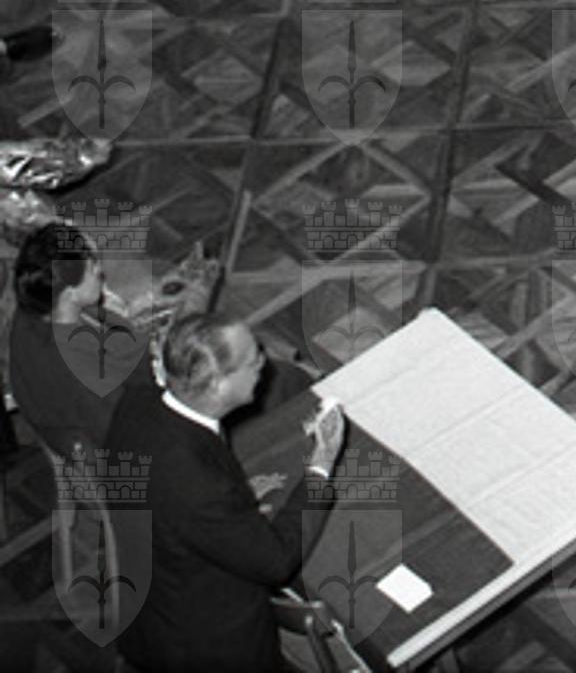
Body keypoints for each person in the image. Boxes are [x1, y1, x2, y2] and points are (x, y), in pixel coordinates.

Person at [108, 314, 346, 673]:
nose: (264, 363)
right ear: (218, 385)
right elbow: (276, 561)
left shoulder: (137, 405)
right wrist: (321, 465)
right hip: (209, 646)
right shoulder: (194, 483)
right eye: (253, 360)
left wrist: (234, 499)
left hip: (148, 597)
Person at [7, 221, 161, 457]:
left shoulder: (37, 304)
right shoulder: (84, 373)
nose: (100, 270)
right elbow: (130, 433)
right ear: (70, 292)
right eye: (92, 267)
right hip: (121, 444)